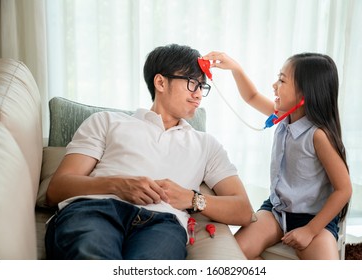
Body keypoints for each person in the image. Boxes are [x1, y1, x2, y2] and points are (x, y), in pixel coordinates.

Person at [44, 44, 253, 260]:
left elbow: (244, 211)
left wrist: (192, 199)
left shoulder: (207, 144)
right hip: (96, 210)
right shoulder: (106, 121)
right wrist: (118, 185)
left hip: (162, 225)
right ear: (161, 82)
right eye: (192, 83)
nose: (199, 94)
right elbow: (56, 190)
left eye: (202, 87)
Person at [202, 51, 352, 260]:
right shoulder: (282, 116)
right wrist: (235, 68)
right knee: (232, 256)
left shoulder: (318, 136)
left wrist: (310, 231)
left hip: (314, 219)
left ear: (304, 94)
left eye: (281, 80)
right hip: (277, 212)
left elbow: (343, 189)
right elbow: (251, 96)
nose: (274, 85)